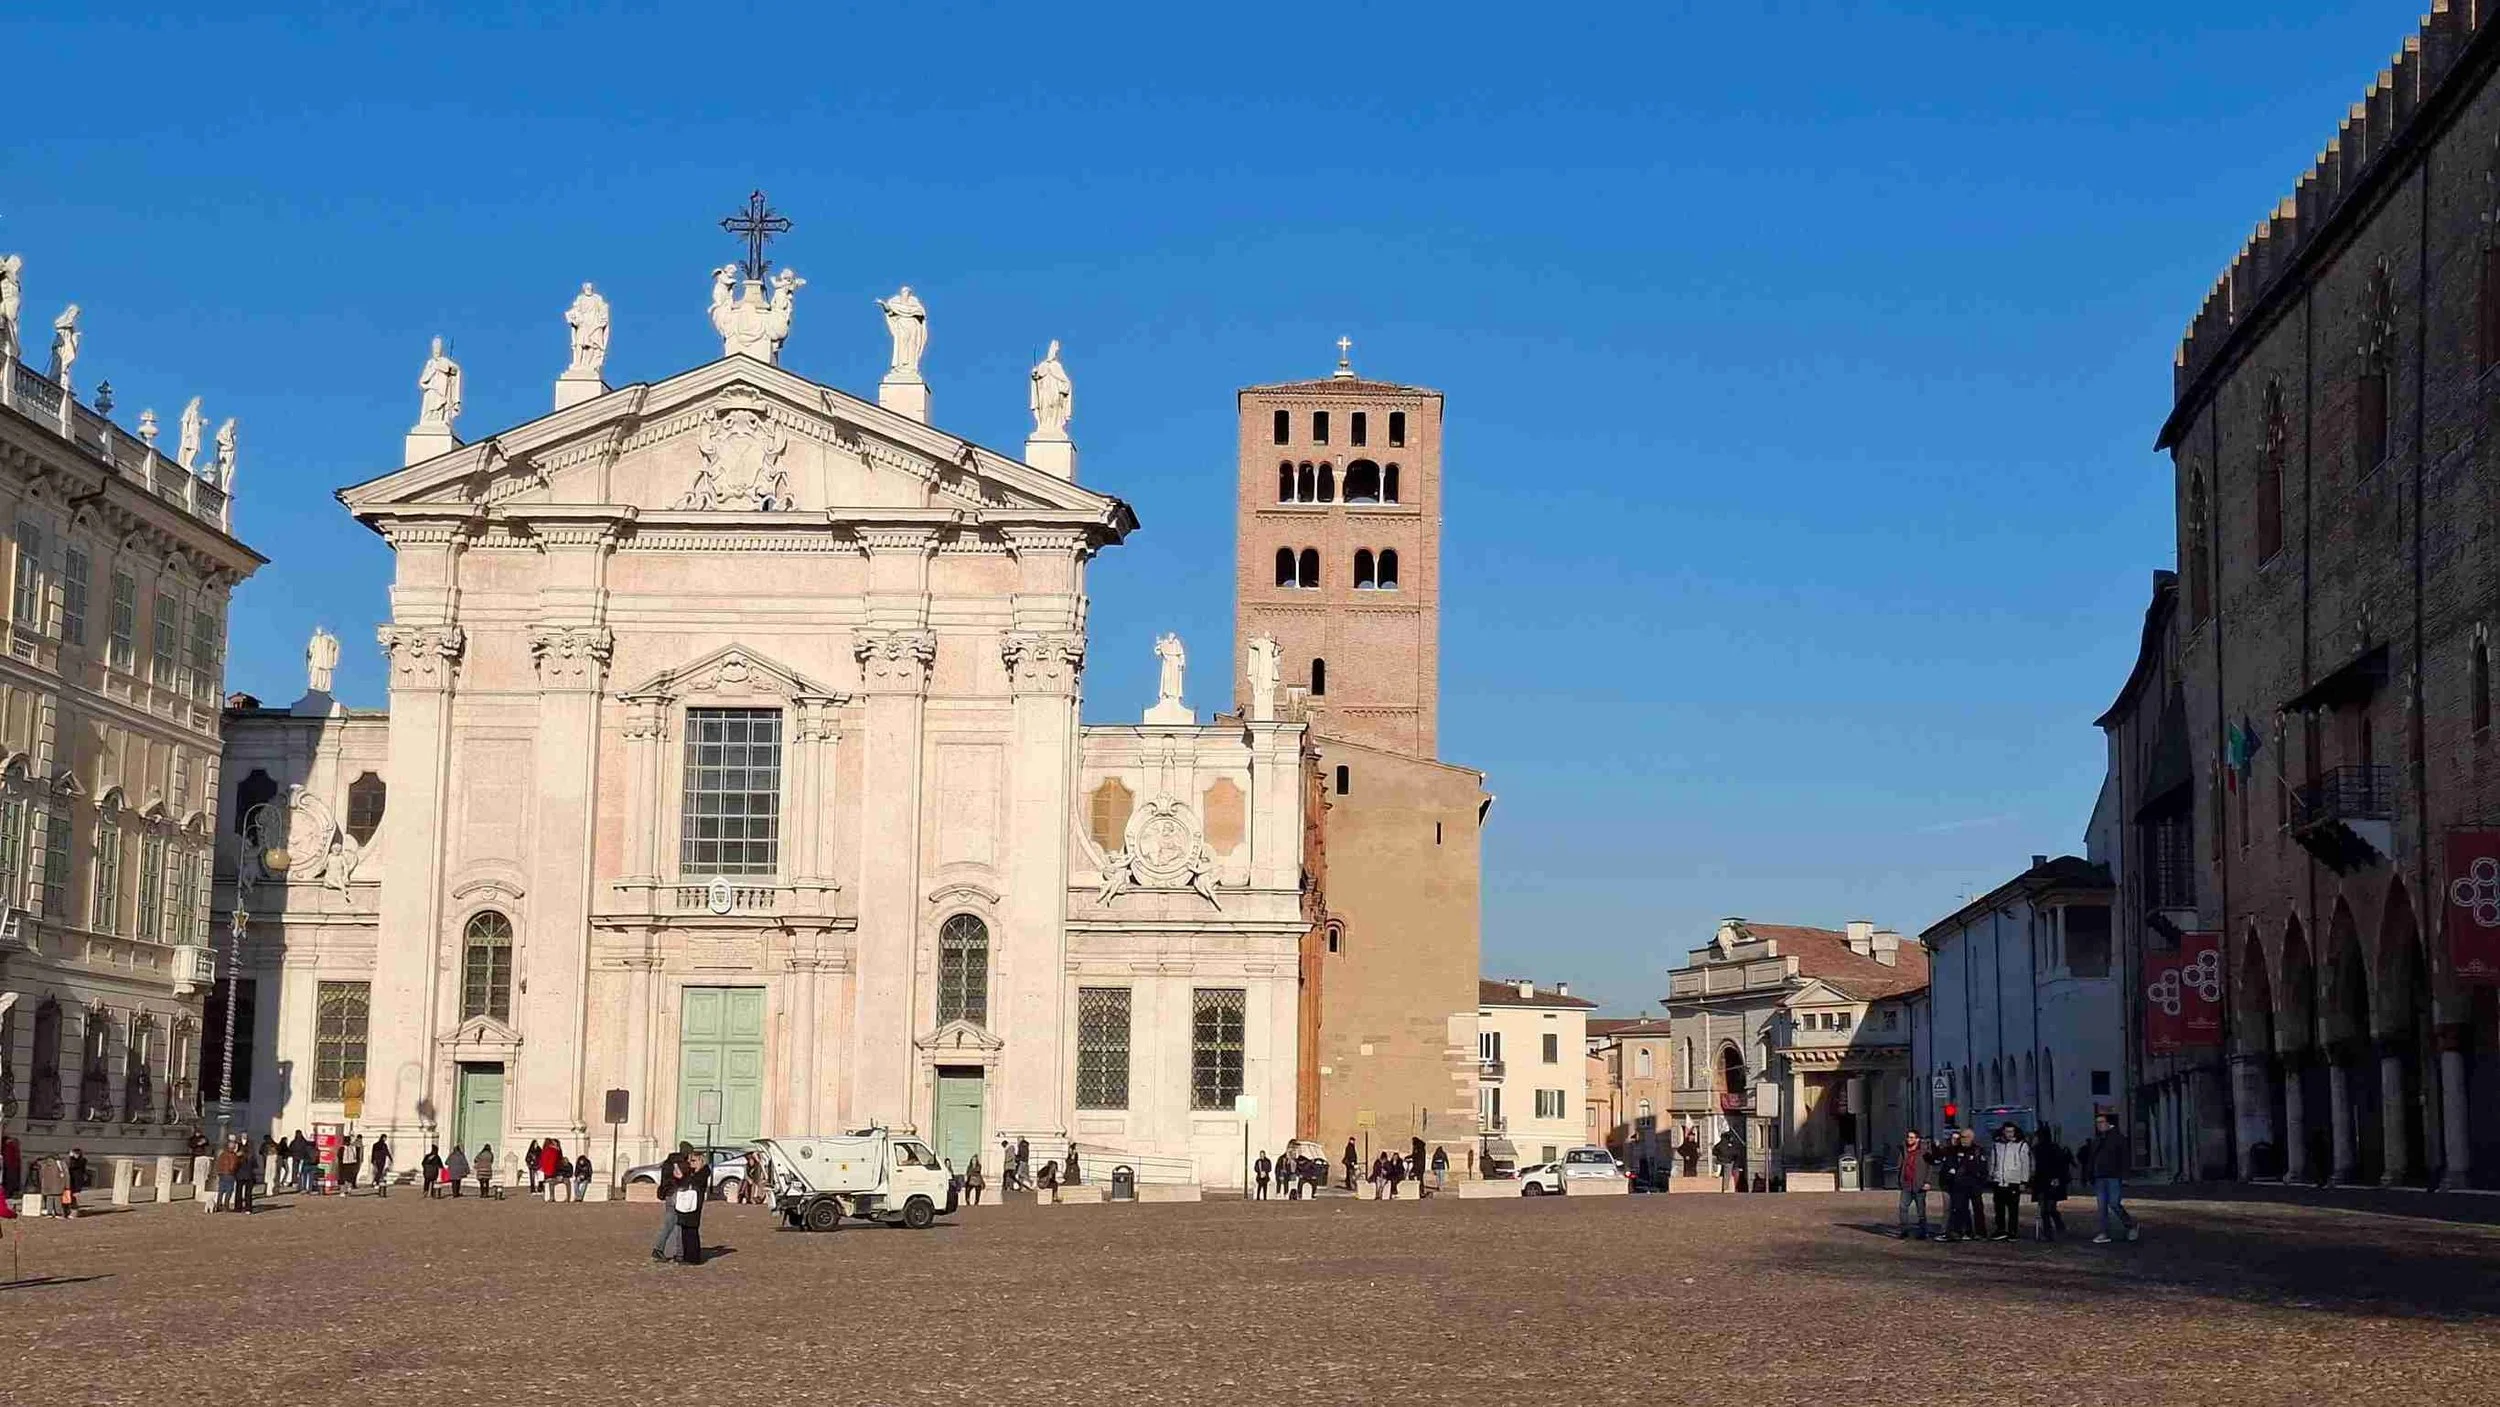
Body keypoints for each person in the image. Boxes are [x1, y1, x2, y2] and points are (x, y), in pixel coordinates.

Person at [2086, 1111, 2138, 1244]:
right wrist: (2090, 1173)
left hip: (2113, 1176)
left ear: (2108, 1123)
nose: (2099, 1125)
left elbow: (2125, 1158)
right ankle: (2104, 1233)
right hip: (2099, 1177)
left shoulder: (2118, 1138)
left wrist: (2125, 1175)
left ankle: (2130, 1225)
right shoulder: (2097, 1140)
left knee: (2114, 1203)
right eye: (2097, 1123)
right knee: (2102, 1207)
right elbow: (2092, 1158)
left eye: (2101, 1122)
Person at [1988, 1122, 2032, 1242]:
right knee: (1999, 1208)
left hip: (2014, 1180)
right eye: (2007, 1131)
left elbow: (2025, 1164)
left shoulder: (2021, 1145)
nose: (2009, 1134)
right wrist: (1991, 1175)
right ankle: (2000, 1230)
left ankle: (2012, 1232)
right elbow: (1993, 1161)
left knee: (2013, 1208)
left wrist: (2024, 1181)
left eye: (2011, 1131)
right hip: (1999, 1180)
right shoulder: (1997, 1145)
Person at [652, 1144, 692, 1263]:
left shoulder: (668, 1163)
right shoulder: (682, 1164)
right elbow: (684, 1179)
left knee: (669, 1223)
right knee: (678, 1224)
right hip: (678, 1195)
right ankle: (678, 1253)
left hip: (669, 1195)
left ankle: (660, 1249)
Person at [2030, 1127, 2070, 1242]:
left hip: (2049, 1181)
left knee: (2048, 1208)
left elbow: (2060, 1165)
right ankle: (2050, 1230)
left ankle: (2055, 1228)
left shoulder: (2049, 1148)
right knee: (2046, 1208)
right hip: (2043, 1181)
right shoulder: (2042, 1149)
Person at [213, 1138, 240, 1212]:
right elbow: (233, 1165)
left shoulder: (222, 1154)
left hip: (222, 1174)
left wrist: (219, 1172)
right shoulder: (233, 1155)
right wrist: (234, 1171)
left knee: (221, 1191)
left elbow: (218, 1163)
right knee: (229, 1191)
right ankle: (226, 1206)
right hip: (229, 1174)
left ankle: (218, 1205)